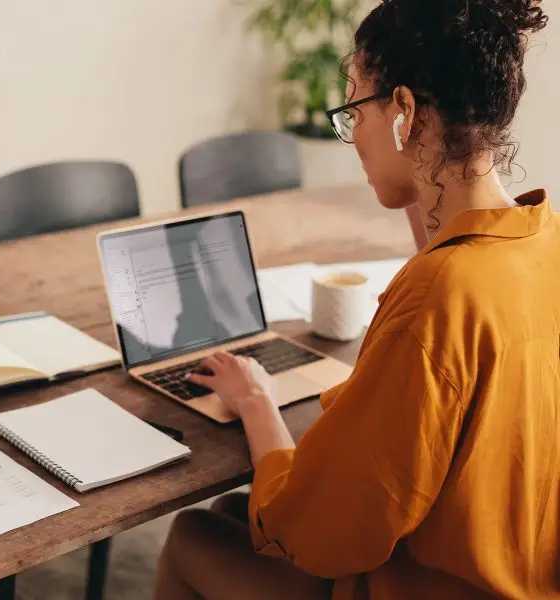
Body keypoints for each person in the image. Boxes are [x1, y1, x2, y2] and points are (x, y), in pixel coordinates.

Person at [152, 0, 559, 599]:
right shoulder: (539, 240)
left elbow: (322, 534)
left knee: (194, 533)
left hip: (420, 587)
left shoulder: (437, 297)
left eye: (353, 111)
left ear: (404, 113)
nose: (352, 140)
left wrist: (259, 404)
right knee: (235, 513)